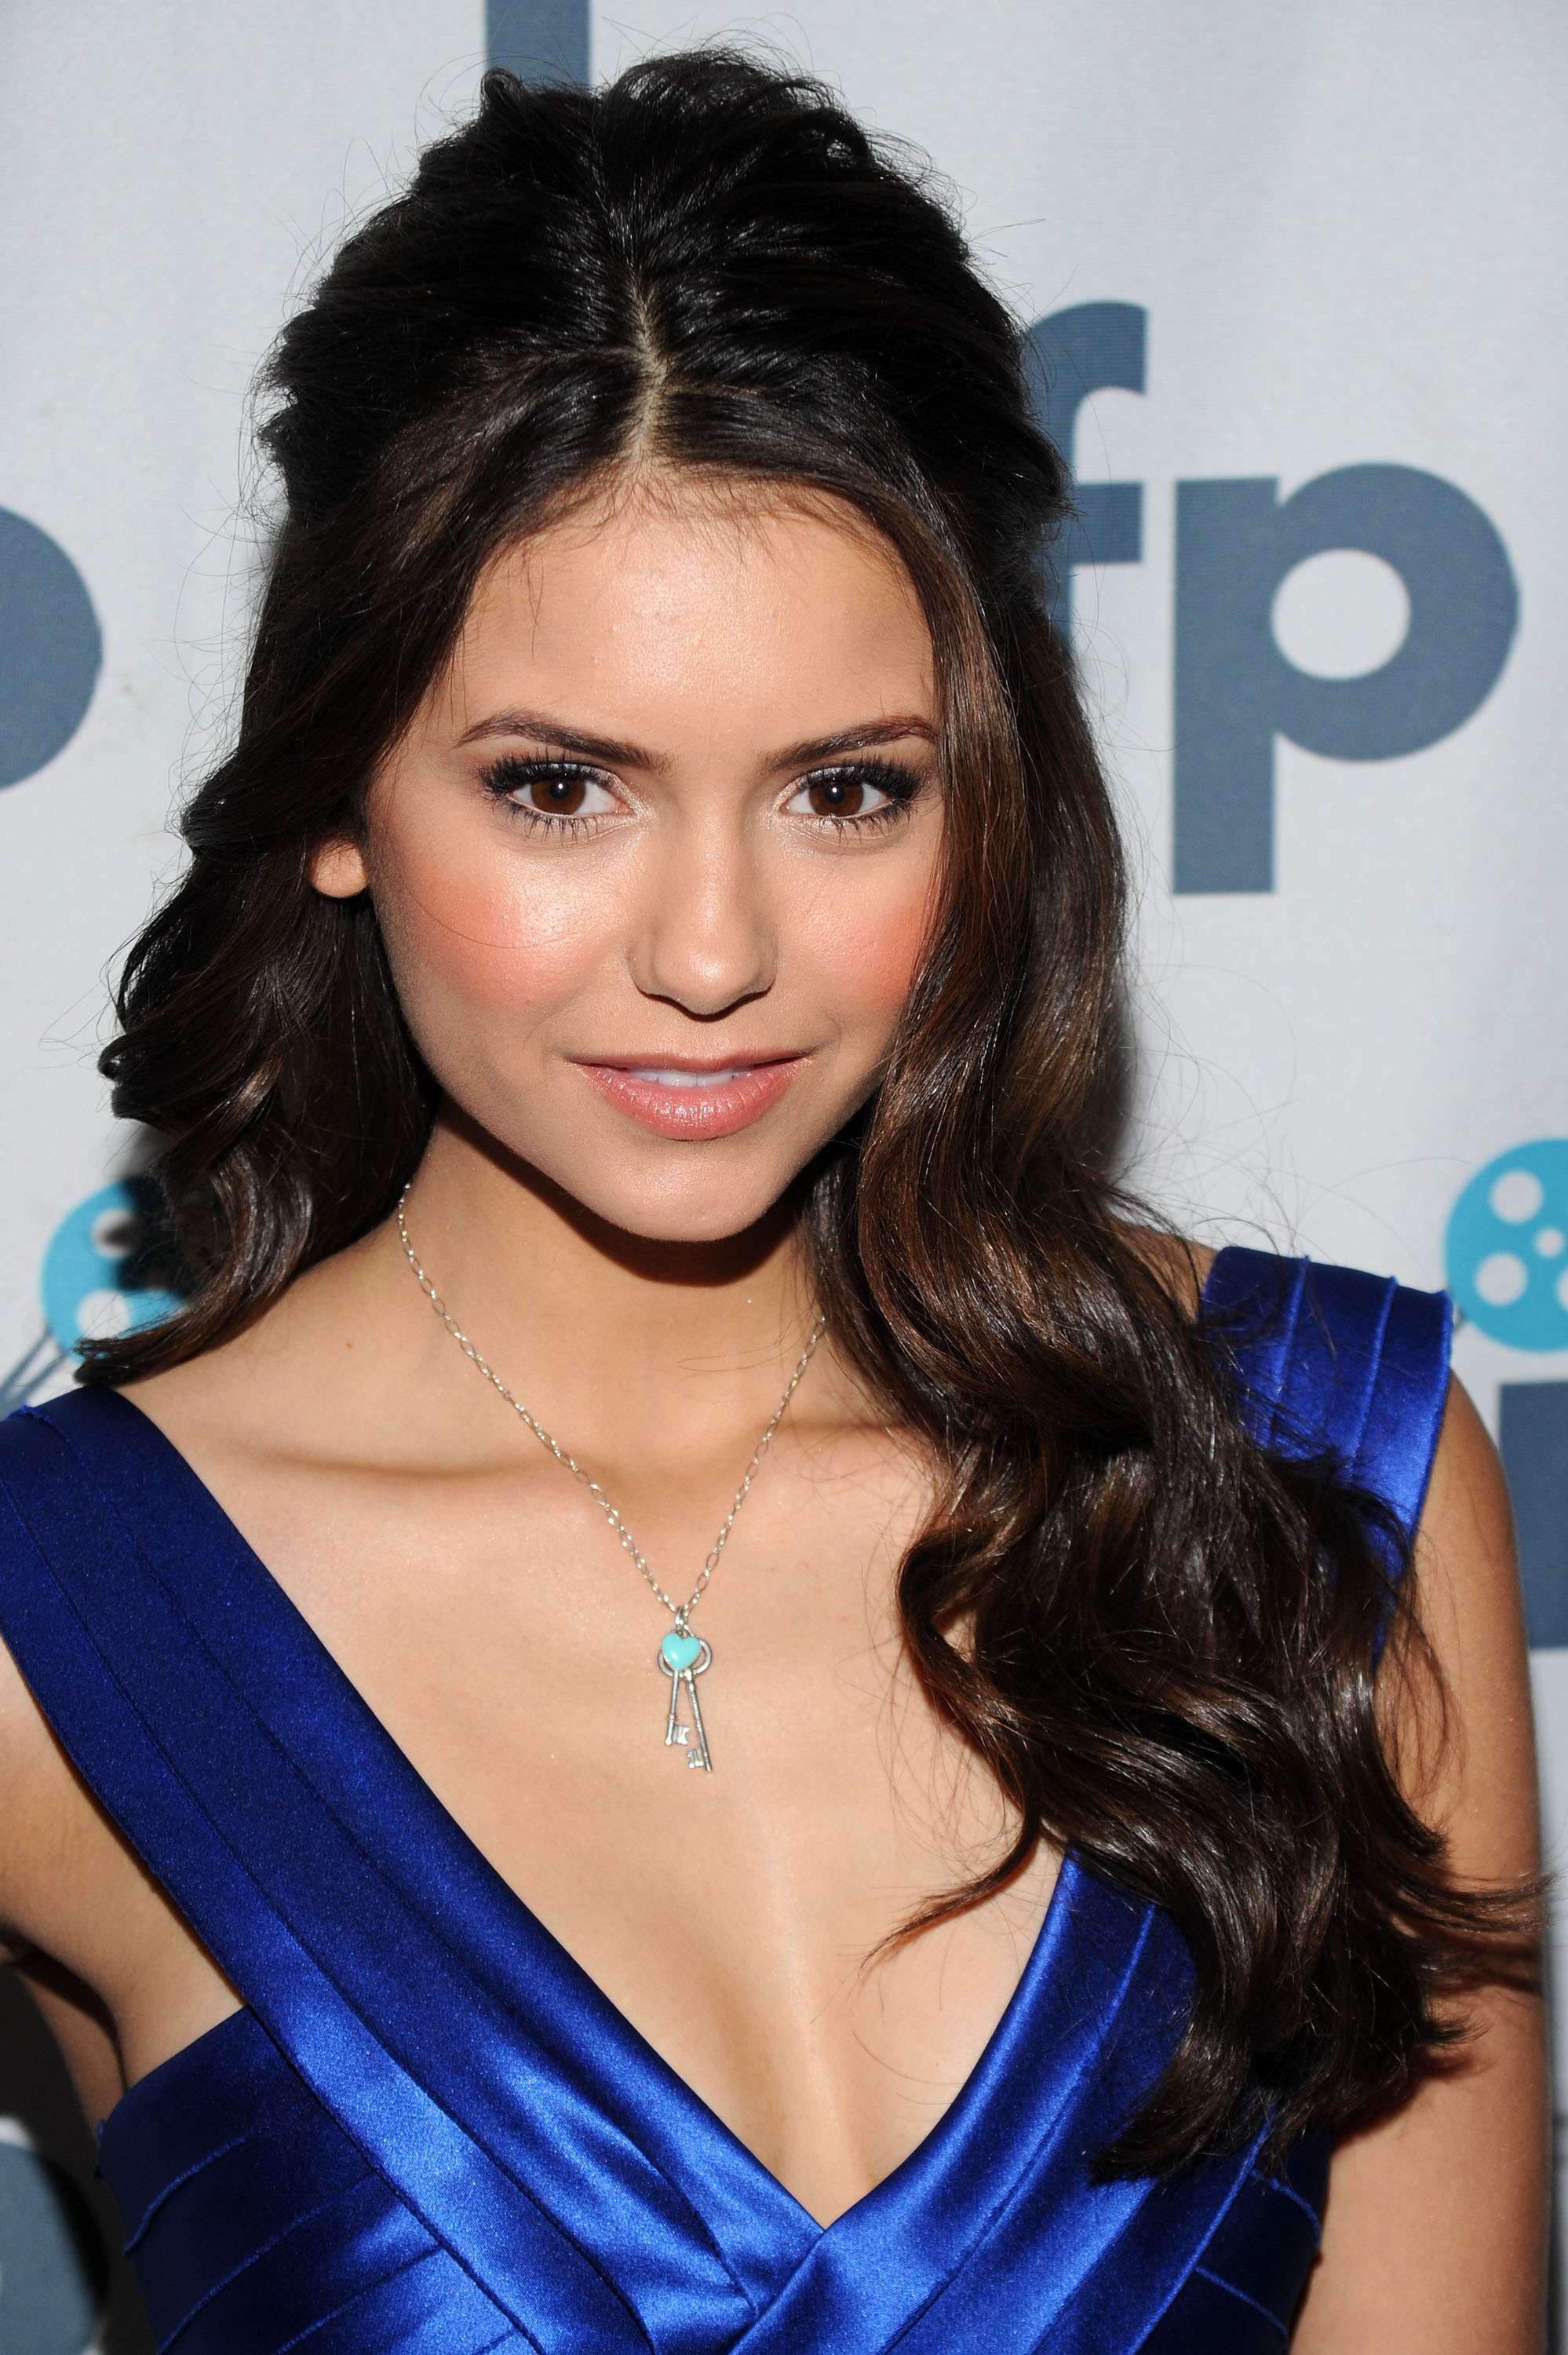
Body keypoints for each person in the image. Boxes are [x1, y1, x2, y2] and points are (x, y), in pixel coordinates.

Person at [0, 48, 1546, 2355]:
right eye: (561, 788)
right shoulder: (52, 1623)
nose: (712, 952)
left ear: (988, 798)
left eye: (844, 791)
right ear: (334, 792)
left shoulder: (1321, 1483)